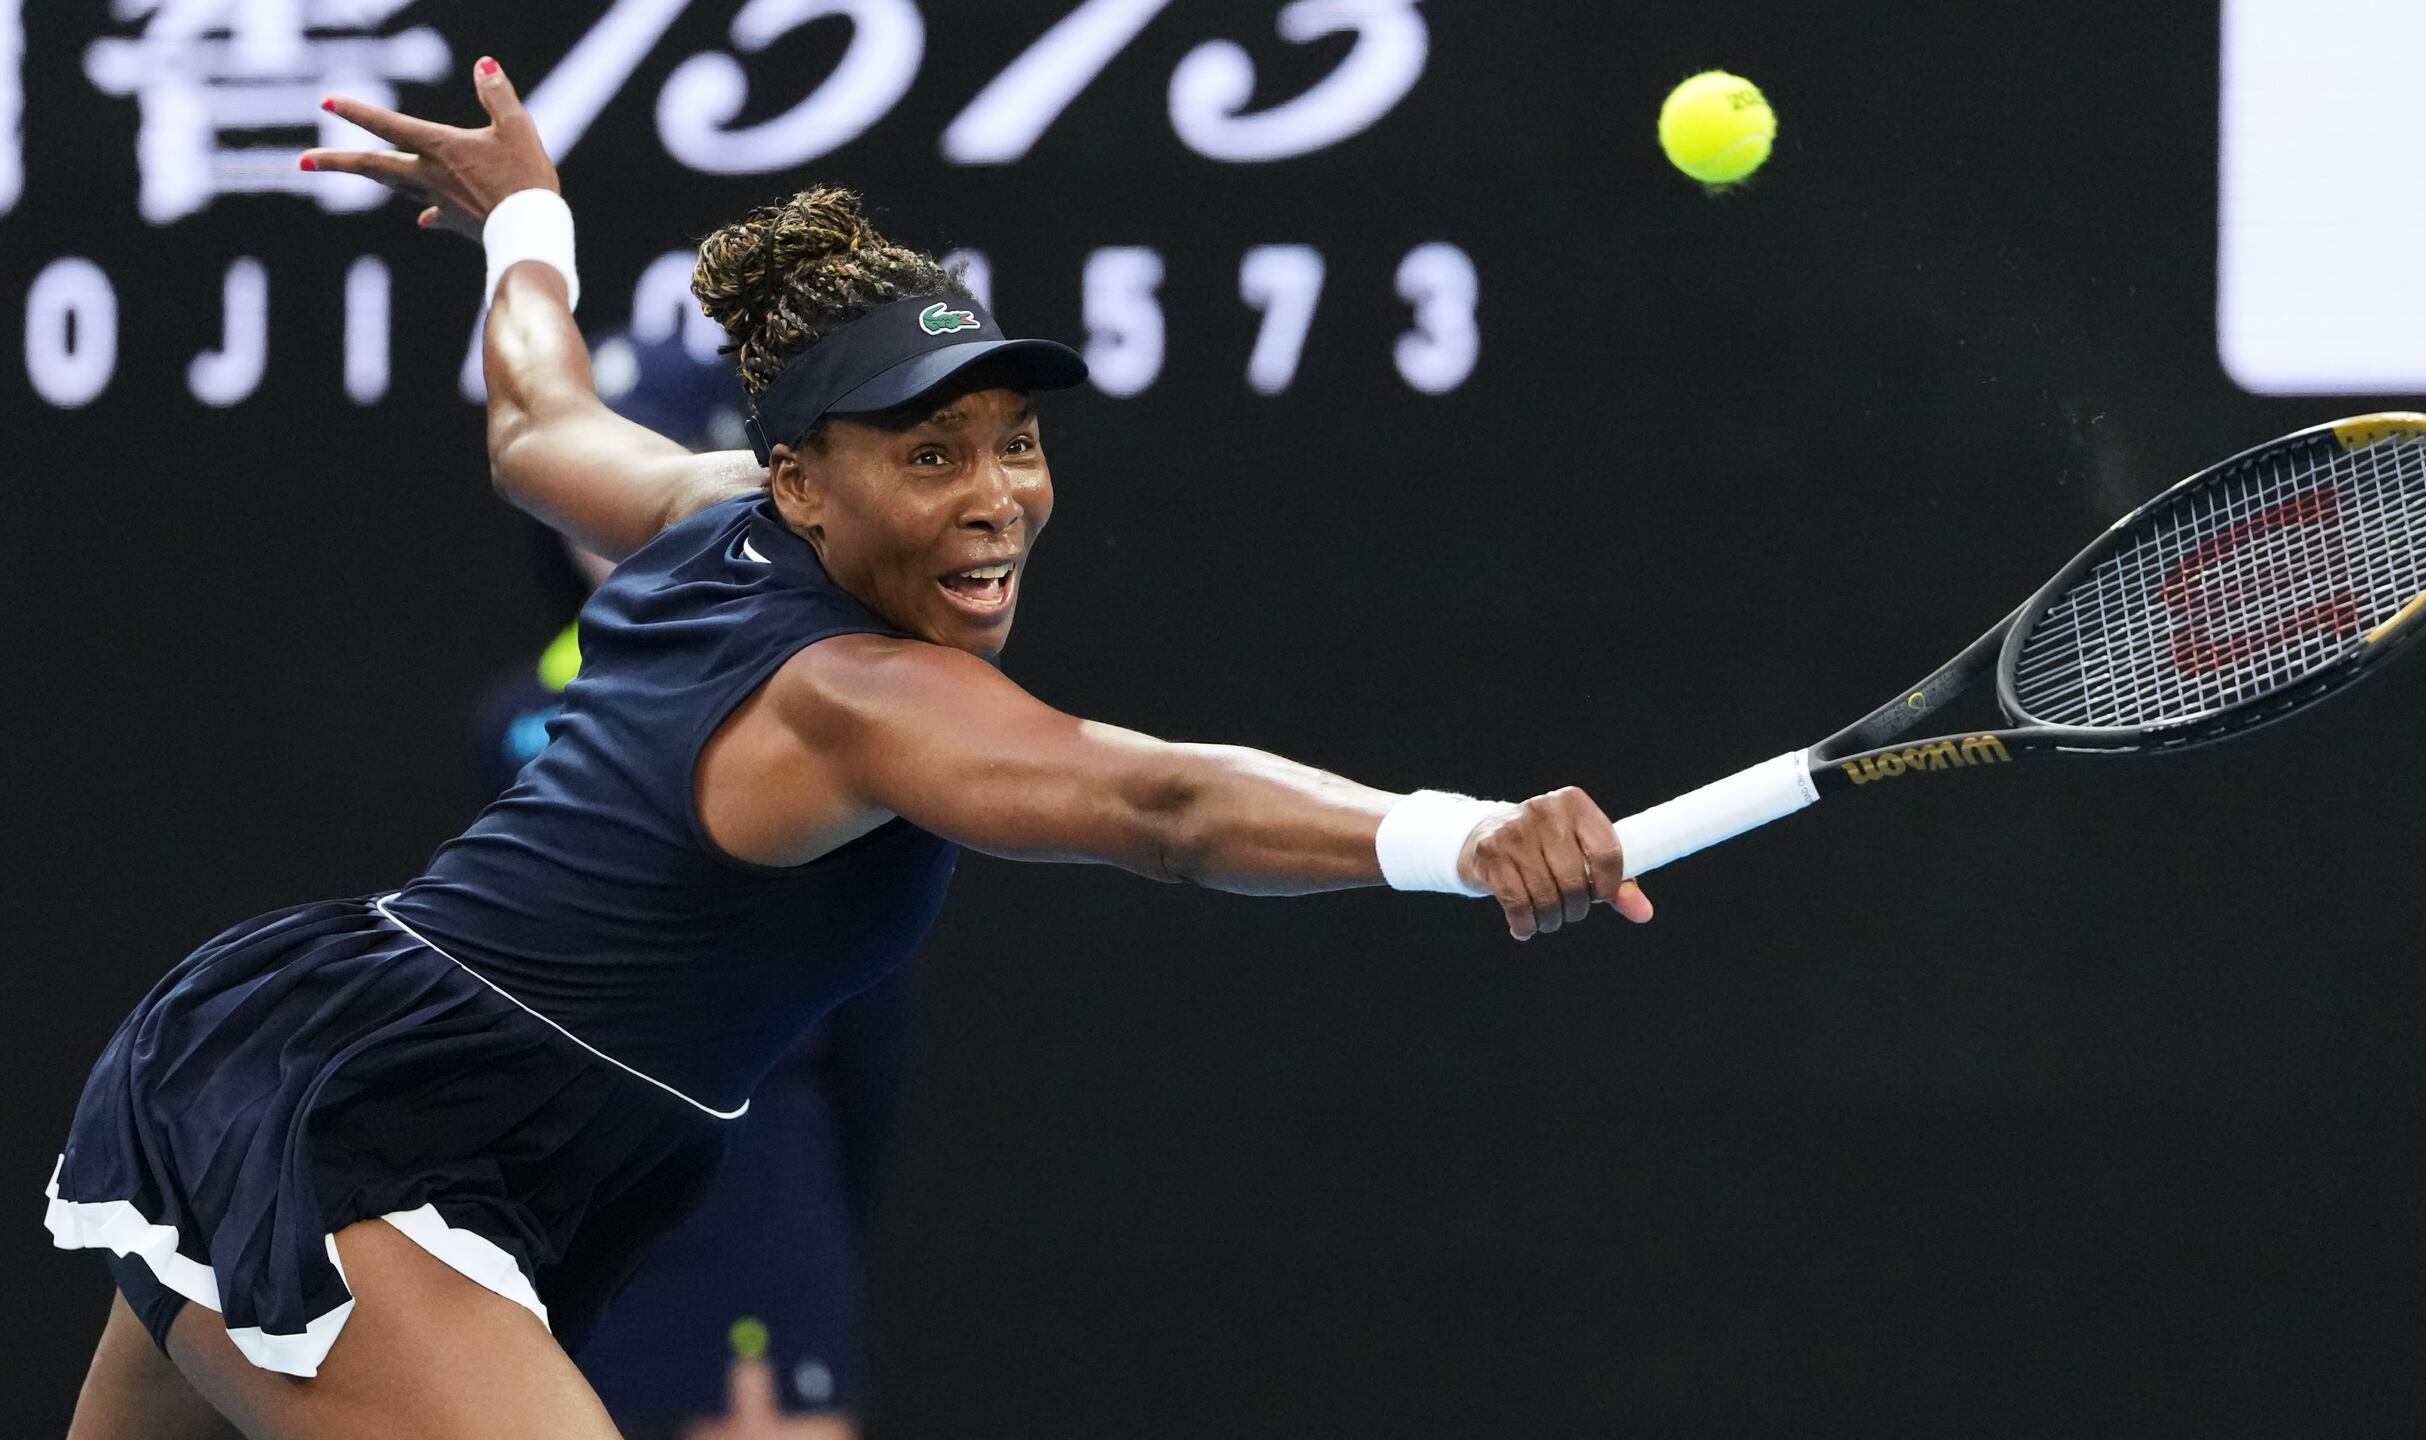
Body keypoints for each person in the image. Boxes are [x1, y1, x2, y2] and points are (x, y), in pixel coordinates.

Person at [43, 57, 1652, 1439]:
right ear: (803, 478)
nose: (995, 496)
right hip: (359, 1143)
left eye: (1015, 445)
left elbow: (537, 424)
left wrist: (527, 225)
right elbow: (1163, 801)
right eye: (930, 452)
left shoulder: (706, 518)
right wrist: (1455, 834)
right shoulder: (859, 697)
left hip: (298, 1051)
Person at [473, 333, 896, 1437]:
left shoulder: (834, 694)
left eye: (650, 464)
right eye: (595, 469)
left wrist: (795, 1227)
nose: (611, 505)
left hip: (746, 1185)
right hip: (573, 1207)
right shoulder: (511, 718)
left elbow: (872, 1017)